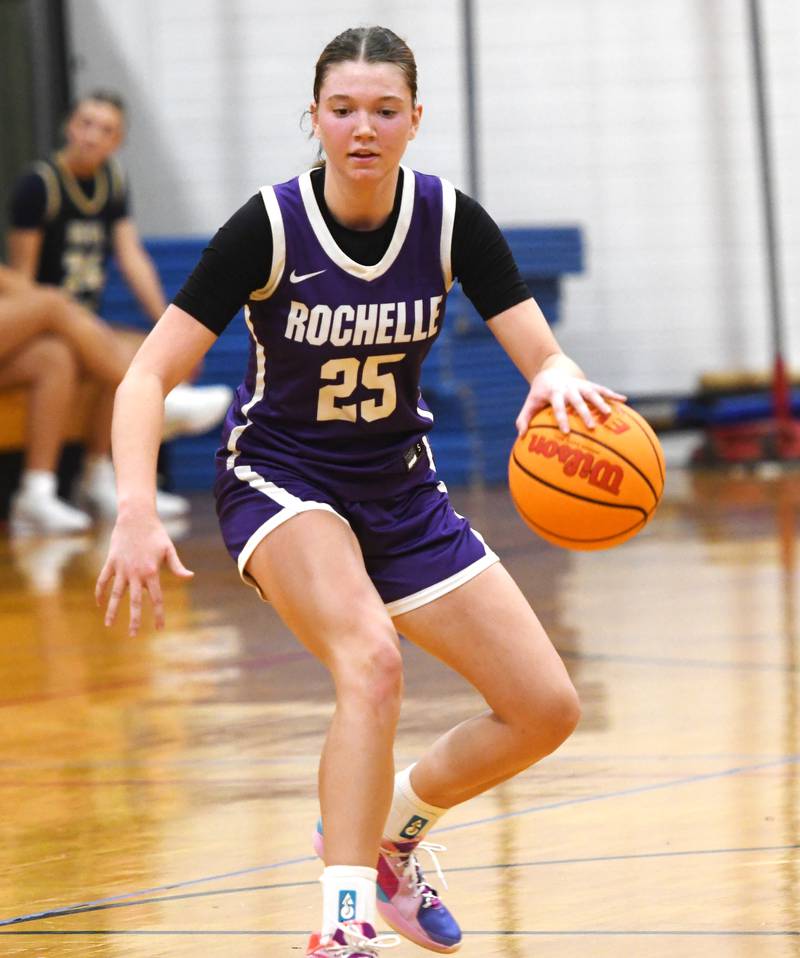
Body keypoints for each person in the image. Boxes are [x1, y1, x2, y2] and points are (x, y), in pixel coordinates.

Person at [96, 26, 625, 958]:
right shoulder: (269, 225)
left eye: (385, 110)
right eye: (343, 110)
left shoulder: (451, 221)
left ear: (415, 120)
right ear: (315, 118)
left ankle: (391, 842)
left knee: (547, 709)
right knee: (371, 663)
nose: (363, 128)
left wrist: (553, 375)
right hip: (282, 481)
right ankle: (342, 926)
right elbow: (145, 379)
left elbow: (541, 352)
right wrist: (135, 509)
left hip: (400, 488)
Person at [6, 89, 232, 529]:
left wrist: (170, 325)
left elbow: (132, 258)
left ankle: (97, 478)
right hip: (42, 319)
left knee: (129, 347)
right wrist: (66, 318)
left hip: (78, 323)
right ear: (69, 127)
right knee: (65, 327)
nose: (92, 136)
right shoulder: (40, 185)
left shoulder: (112, 181)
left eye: (105, 129)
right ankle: (160, 403)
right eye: (85, 124)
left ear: (118, 141)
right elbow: (26, 282)